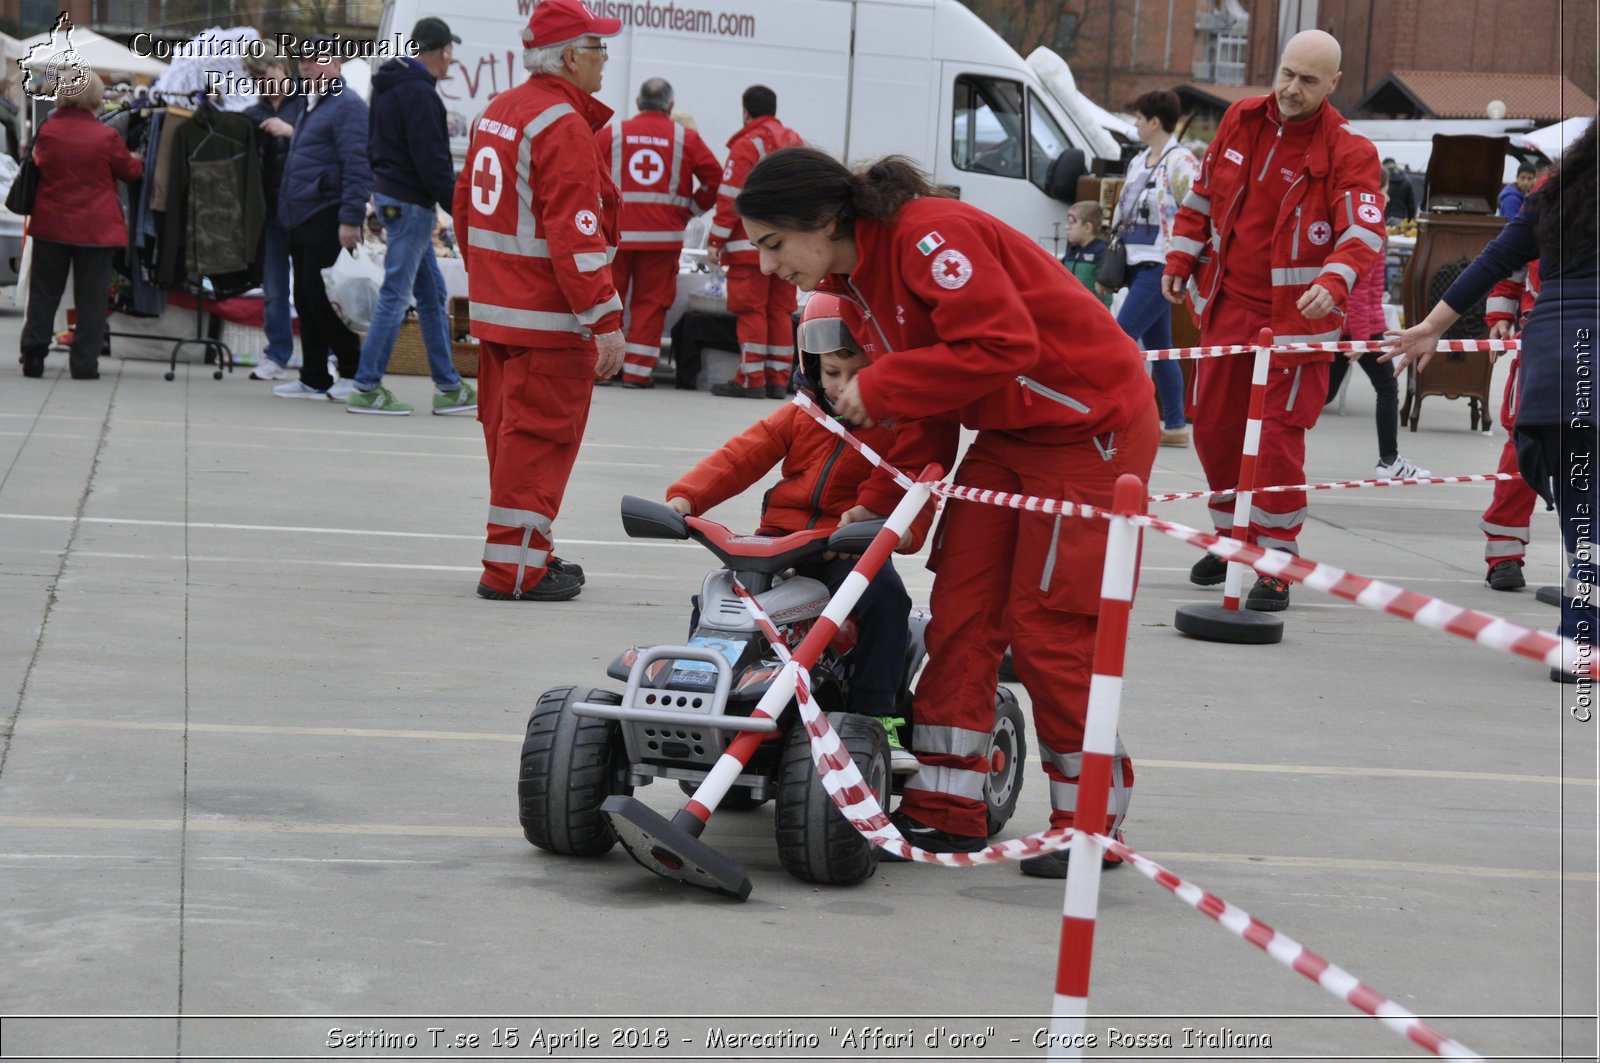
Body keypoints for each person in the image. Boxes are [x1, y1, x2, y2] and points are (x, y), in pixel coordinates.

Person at [734, 147, 1157, 875]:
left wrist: (889, 382)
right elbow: (927, 415)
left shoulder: (929, 237)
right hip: (1013, 435)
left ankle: (1089, 821)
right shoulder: (855, 280)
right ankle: (946, 805)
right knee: (961, 612)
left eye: (773, 245)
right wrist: (872, 514)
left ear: (824, 221)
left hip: (1091, 432)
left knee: (1046, 625)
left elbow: (1002, 344)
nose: (769, 268)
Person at [1163, 30, 1385, 612]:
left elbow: (1362, 232)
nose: (1291, 88)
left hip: (1293, 328)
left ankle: (1276, 560)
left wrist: (1334, 279)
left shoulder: (1350, 150)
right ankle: (1232, 540)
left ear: (1333, 85)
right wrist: (1181, 255)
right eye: (1287, 73)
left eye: (1308, 81)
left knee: (1278, 445)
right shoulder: (1240, 119)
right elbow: (1203, 197)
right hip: (1225, 311)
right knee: (1214, 429)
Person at [664, 294, 928, 771]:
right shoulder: (801, 415)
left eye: (860, 374)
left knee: (887, 600)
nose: (844, 387)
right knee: (718, 601)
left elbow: (910, 485)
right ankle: (705, 696)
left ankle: (877, 714)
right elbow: (740, 456)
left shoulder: (897, 428)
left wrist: (898, 533)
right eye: (832, 373)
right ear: (811, 366)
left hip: (849, 546)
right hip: (780, 540)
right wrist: (687, 496)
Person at [1386, 118, 1597, 683]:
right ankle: (1585, 639)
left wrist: (1430, 325)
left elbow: (1492, 260)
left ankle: (1579, 640)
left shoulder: (1556, 192)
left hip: (1555, 375)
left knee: (1587, 521)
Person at [452, 0, 625, 602]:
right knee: (539, 443)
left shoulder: (498, 112)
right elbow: (576, 233)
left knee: (510, 439)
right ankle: (515, 570)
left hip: (501, 314)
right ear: (571, 56)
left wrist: (491, 286)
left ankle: (528, 554)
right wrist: (604, 318)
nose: (606, 58)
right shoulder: (562, 124)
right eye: (599, 48)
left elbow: (465, 210)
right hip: (549, 320)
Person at [346, 17, 477, 417]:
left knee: (432, 294)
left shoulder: (387, 85)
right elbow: (432, 159)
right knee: (397, 295)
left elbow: (373, 143)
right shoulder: (420, 93)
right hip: (411, 201)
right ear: (440, 53)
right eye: (450, 54)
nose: (451, 63)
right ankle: (366, 386)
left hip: (392, 195)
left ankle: (449, 385)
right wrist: (458, 207)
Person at [595, 77, 722, 388]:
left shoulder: (613, 132)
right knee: (651, 304)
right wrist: (690, 209)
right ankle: (637, 373)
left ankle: (601, 369)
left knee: (606, 300)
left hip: (616, 236)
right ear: (671, 106)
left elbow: (584, 168)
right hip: (662, 238)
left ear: (638, 103)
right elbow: (715, 179)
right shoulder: (685, 138)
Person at [17, 72, 142, 381]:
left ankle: (34, 355)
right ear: (95, 98)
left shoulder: (47, 130)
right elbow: (130, 171)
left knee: (45, 294)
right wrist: (138, 157)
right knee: (92, 298)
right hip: (95, 229)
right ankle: (84, 364)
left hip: (51, 224)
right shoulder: (106, 136)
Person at [271, 38, 372, 402]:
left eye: (316, 61)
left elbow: (357, 165)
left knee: (324, 298)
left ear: (337, 63)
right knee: (307, 297)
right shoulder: (313, 104)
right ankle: (314, 376)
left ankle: (351, 369)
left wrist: (350, 219)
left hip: (327, 214)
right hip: (303, 215)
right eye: (302, 61)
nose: (307, 67)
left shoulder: (348, 106)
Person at [1324, 165, 1430, 480]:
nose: (1387, 198)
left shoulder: (1364, 225)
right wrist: (1359, 337)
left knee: (1322, 394)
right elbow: (1357, 290)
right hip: (1359, 327)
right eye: (1384, 192)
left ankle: (1390, 460)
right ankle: (1389, 462)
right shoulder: (1370, 230)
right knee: (1385, 387)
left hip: (1361, 325)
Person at [1109, 88, 1198, 448]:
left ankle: (1119, 417)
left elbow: (1197, 210)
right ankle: (1175, 424)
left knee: (1119, 339)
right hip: (1135, 262)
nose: (1135, 124)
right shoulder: (1139, 160)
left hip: (1161, 264)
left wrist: (1184, 259)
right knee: (1161, 348)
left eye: (1139, 119)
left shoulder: (1182, 162)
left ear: (1155, 122)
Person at [706, 85, 802, 399]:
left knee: (751, 311)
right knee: (779, 311)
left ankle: (751, 379)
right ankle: (777, 379)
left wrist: (716, 239)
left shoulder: (748, 145)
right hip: (790, 246)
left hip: (750, 247)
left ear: (746, 112)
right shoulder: (794, 142)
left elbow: (730, 197)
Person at [242, 48, 306, 382]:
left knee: (312, 289)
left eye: (265, 78)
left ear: (281, 68)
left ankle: (321, 355)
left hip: (306, 210)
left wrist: (292, 133)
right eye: (256, 81)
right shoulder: (252, 114)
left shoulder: (308, 103)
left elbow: (323, 145)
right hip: (269, 211)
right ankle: (277, 354)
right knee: (275, 291)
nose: (263, 86)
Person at [1477, 255, 1540, 591]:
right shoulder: (1541, 207)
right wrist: (1501, 317)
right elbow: (1509, 266)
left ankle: (1587, 566)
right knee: (1521, 450)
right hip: (1539, 344)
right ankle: (1504, 556)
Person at [1059, 200, 1110, 308]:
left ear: (1087, 227)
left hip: (1092, 312)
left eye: (1071, 222)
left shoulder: (1102, 251)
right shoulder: (1072, 251)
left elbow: (1106, 291)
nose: (1066, 227)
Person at [1382, 157, 1417, 222]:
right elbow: (1411, 205)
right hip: (1400, 219)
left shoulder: (1382, 180)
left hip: (1384, 218)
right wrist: (1411, 221)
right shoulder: (1407, 181)